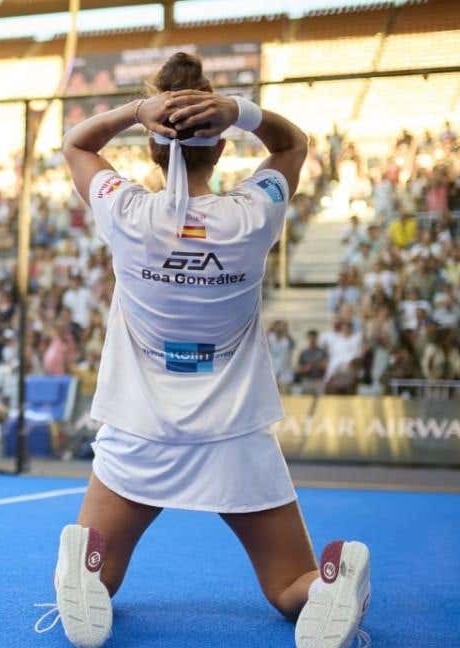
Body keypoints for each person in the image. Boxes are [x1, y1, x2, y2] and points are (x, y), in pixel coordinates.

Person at [51, 53, 369, 648]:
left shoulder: (125, 210)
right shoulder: (252, 214)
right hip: (235, 432)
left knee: (106, 581)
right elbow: (293, 145)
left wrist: (137, 111)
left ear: (150, 147)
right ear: (221, 147)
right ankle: (331, 581)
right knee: (288, 588)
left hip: (140, 430)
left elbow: (75, 145)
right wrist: (241, 112)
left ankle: (83, 563)